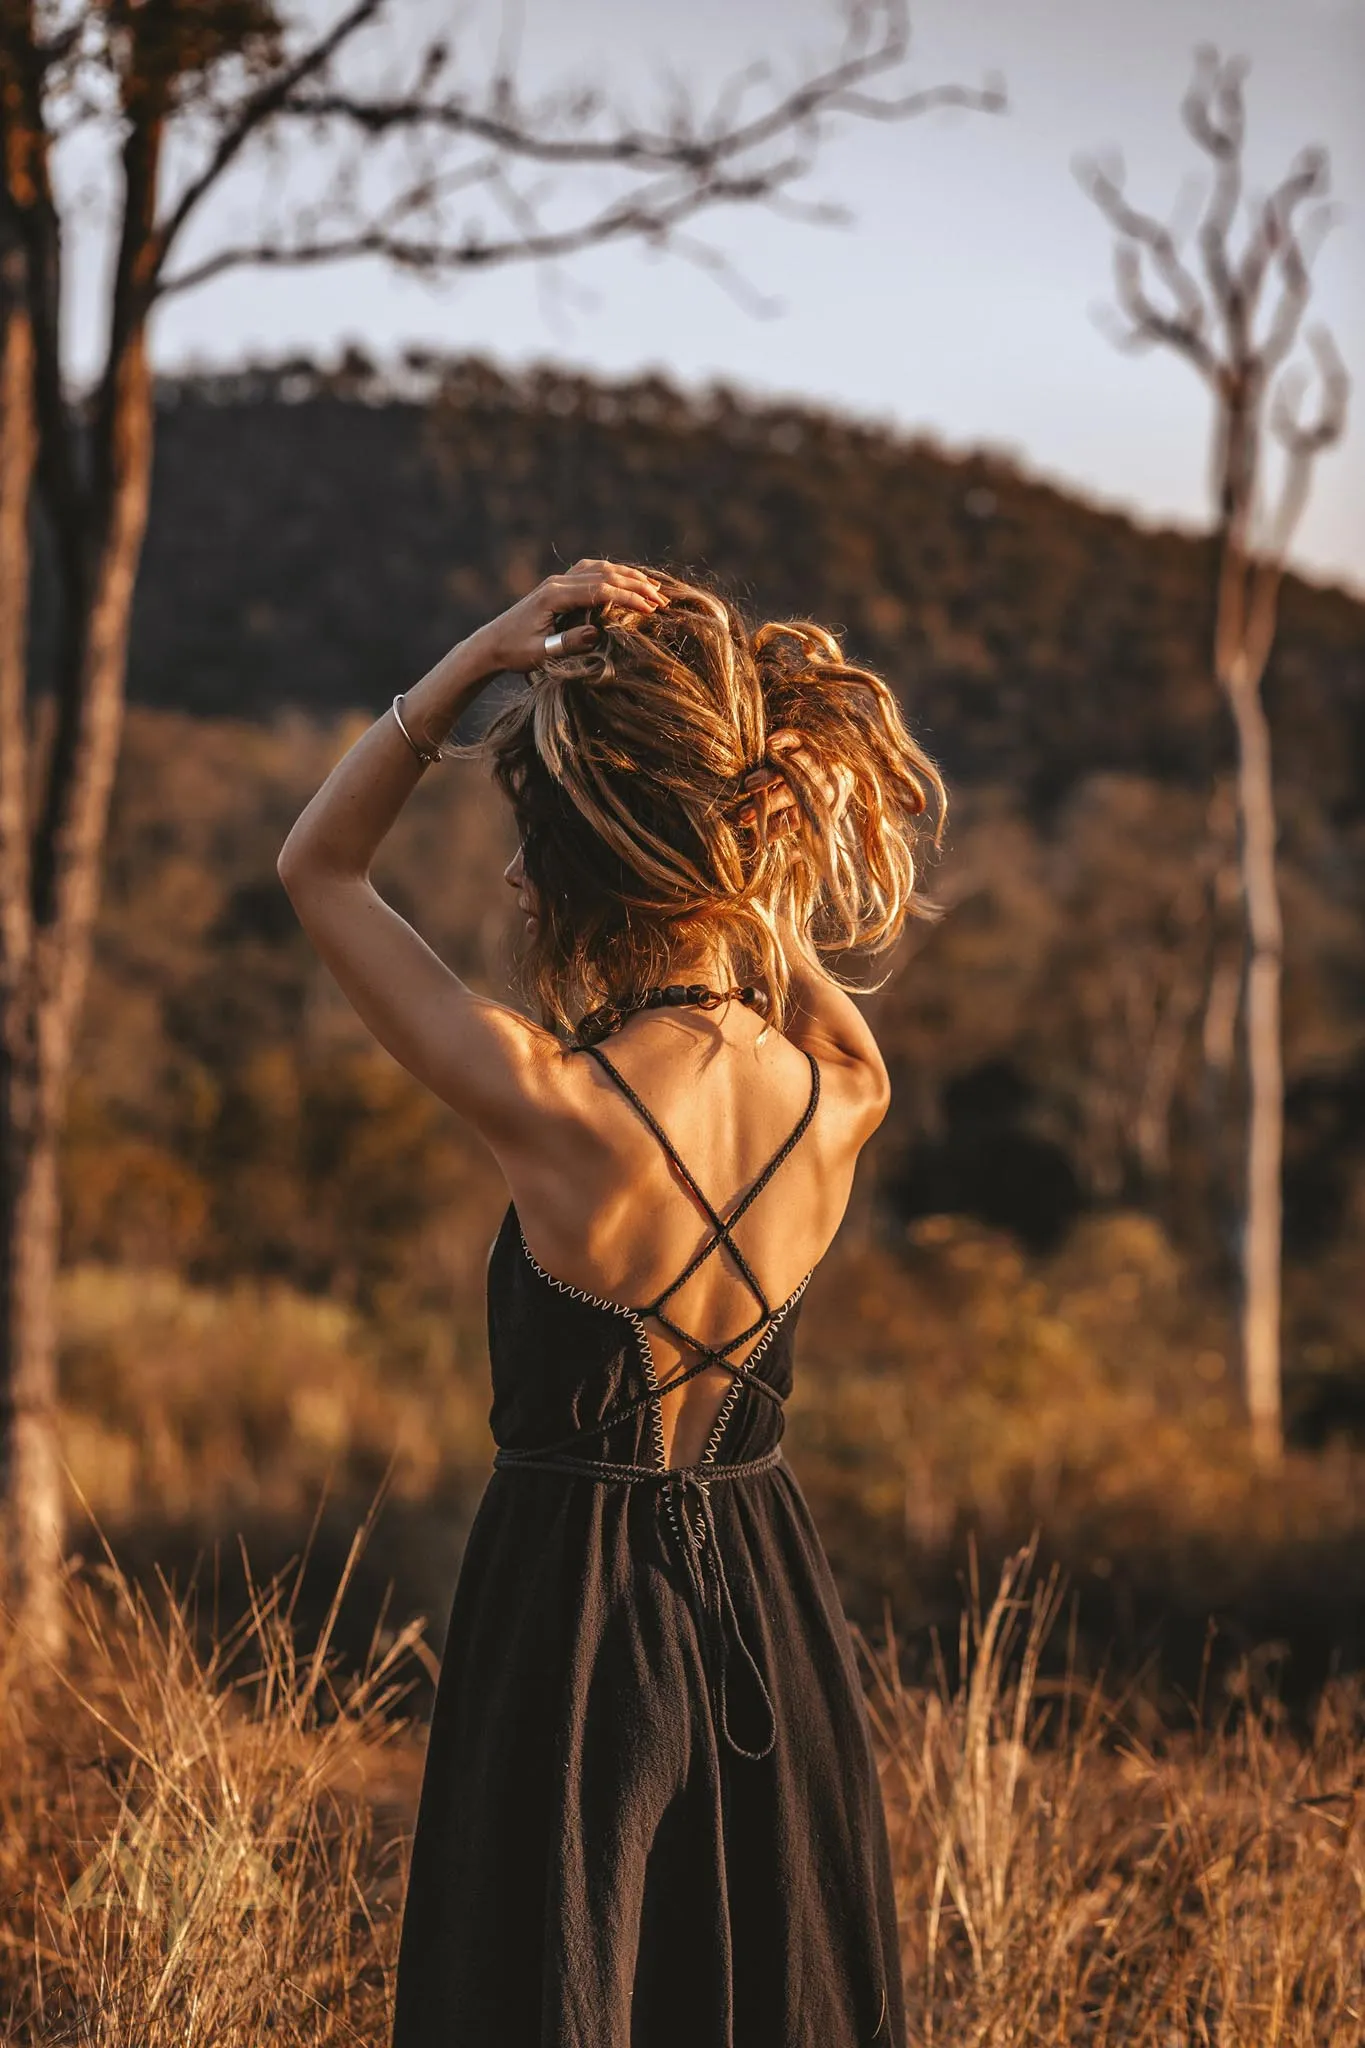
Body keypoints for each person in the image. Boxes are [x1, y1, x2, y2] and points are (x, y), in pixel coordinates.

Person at [277, 560, 945, 2048]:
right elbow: (777, 946)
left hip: (568, 1616)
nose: (515, 881)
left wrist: (467, 667)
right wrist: (737, 819)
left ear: (596, 871)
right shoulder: (846, 1095)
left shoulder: (550, 1105)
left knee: (541, 1987)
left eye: (535, 846)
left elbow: (316, 870)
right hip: (769, 1604)